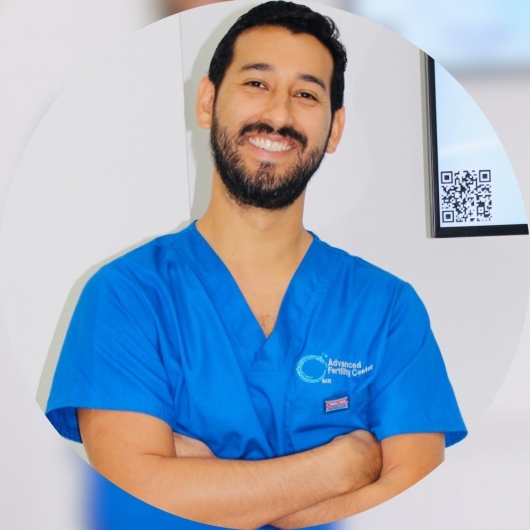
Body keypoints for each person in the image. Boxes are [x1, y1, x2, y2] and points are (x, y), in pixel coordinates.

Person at [46, 2, 467, 528]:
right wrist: (341, 466)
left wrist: (208, 484)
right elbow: (138, 497)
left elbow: (413, 501)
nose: (280, 114)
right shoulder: (125, 297)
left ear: (334, 129)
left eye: (306, 94)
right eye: (256, 84)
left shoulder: (387, 309)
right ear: (207, 102)